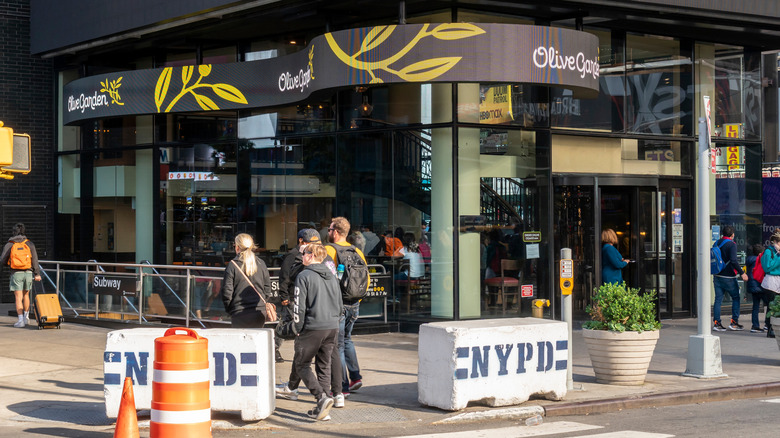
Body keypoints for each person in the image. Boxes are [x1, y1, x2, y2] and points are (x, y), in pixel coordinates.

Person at [290, 243, 343, 421]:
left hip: (313, 326)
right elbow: (339, 303)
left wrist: (297, 327)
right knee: (324, 365)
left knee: (301, 364)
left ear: (311, 256)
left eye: (304, 253)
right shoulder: (332, 275)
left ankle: (321, 397)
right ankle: (323, 406)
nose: (302, 256)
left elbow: (299, 306)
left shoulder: (304, 276)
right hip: (332, 326)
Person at [326, 217, 369, 395]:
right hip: (354, 303)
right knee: (347, 340)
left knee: (338, 346)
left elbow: (325, 278)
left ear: (335, 232)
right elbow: (366, 279)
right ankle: (356, 377)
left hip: (338, 304)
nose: (328, 232)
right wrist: (357, 300)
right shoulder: (356, 251)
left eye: (329, 230)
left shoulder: (329, 250)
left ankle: (342, 386)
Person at [276, 229, 323, 363]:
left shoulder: (312, 254)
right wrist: (284, 296)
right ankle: (274, 348)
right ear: (301, 241)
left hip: (305, 297)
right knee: (289, 325)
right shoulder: (293, 255)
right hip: (293, 296)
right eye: (311, 242)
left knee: (292, 324)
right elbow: (284, 277)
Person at [220, 233, 272, 328]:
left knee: (240, 337)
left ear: (237, 247)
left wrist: (230, 309)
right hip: (259, 312)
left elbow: (227, 292)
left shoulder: (232, 265)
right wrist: (262, 303)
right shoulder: (261, 263)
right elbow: (267, 289)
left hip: (239, 312)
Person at [0, 223, 42, 328]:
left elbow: (2, 260)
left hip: (16, 273)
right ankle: (26, 318)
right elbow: (35, 260)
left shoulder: (10, 244)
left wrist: (10, 263)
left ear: (14, 232)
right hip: (28, 272)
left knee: (18, 297)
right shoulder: (29, 243)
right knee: (26, 295)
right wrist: (37, 274)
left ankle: (20, 321)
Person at [712, 225, 747, 331]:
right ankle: (734, 322)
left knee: (718, 299)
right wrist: (742, 273)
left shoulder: (716, 243)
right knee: (736, 298)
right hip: (729, 277)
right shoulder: (731, 244)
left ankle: (717, 323)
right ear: (732, 235)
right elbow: (733, 260)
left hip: (717, 275)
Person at [746, 243, 772, 333]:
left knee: (755, 306)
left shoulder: (749, 260)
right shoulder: (760, 260)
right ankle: (767, 324)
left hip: (753, 286)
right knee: (769, 305)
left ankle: (755, 325)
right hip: (760, 286)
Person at [760, 234, 780, 337]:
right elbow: (767, 267)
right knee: (772, 306)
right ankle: (770, 328)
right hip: (770, 282)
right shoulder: (769, 251)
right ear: (776, 242)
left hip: (778, 281)